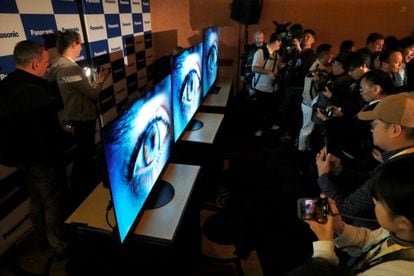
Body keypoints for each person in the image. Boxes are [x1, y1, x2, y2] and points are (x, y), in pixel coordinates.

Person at [0, 40, 68, 255]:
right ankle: (59, 245)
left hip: (19, 159)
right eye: (46, 62)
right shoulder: (35, 92)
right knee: (52, 202)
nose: (48, 67)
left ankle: (41, 240)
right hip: (42, 159)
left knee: (36, 200)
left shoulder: (5, 85)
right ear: (34, 65)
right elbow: (46, 133)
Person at [315, 93, 414, 228]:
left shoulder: (397, 170)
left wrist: (323, 176)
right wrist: (340, 170)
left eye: (375, 124)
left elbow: (345, 210)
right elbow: (369, 181)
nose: (372, 130)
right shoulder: (400, 158)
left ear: (395, 130)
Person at [305, 157, 414, 275]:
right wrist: (340, 228)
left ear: (403, 223)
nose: (373, 202)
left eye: (378, 201)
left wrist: (324, 248)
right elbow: (372, 240)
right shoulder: (401, 232)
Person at [46, 30, 109, 204]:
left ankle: (82, 192)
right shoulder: (68, 68)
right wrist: (102, 78)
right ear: (73, 44)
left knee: (84, 154)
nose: (82, 47)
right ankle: (79, 195)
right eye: (80, 43)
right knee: (84, 155)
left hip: (78, 116)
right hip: (81, 118)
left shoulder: (62, 65)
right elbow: (92, 92)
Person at [251, 32, 282, 136]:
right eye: (279, 43)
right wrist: (269, 72)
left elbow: (278, 66)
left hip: (272, 87)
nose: (280, 46)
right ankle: (258, 129)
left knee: (271, 108)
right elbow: (254, 68)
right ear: (277, 41)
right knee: (260, 110)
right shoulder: (261, 52)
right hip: (260, 87)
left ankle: (269, 125)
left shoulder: (276, 54)